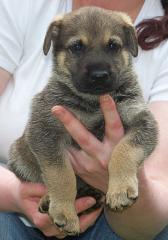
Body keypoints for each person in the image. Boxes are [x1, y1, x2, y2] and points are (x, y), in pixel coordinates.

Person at [0, 0, 168, 239]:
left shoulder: (128, 90)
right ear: (53, 46)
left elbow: (146, 130)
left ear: (129, 45)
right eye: (77, 47)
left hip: (112, 218)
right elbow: (42, 137)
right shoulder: (22, 6)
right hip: (19, 200)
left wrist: (120, 169)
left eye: (112, 46)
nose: (99, 68)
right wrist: (19, 194)